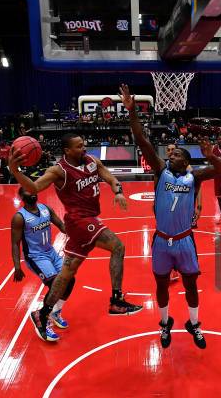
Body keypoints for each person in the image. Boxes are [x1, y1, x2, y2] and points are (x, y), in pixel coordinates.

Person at [119, 84, 221, 349]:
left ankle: (194, 325)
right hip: (161, 241)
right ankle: (165, 324)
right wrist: (132, 112)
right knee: (162, 286)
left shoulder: (195, 177)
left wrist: (211, 156)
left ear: (186, 162)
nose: (171, 156)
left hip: (184, 240)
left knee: (190, 285)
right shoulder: (160, 172)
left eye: (177, 154)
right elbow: (142, 140)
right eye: (171, 154)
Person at [9, 133, 142, 342]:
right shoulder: (58, 171)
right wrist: (15, 170)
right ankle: (116, 300)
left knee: (66, 275)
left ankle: (42, 314)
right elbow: (34, 188)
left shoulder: (92, 162)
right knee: (118, 247)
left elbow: (109, 177)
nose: (84, 148)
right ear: (67, 150)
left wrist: (118, 191)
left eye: (84, 144)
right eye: (79, 146)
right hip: (79, 221)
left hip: (86, 222)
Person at [11, 187, 72, 342]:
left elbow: (61, 226)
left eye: (32, 189)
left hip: (50, 252)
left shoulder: (45, 209)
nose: (31, 193)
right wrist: (17, 266)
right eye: (26, 192)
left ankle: (55, 311)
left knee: (69, 279)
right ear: (22, 197)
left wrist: (75, 234)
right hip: (36, 256)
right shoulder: (20, 217)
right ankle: (42, 319)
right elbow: (15, 243)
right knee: (54, 284)